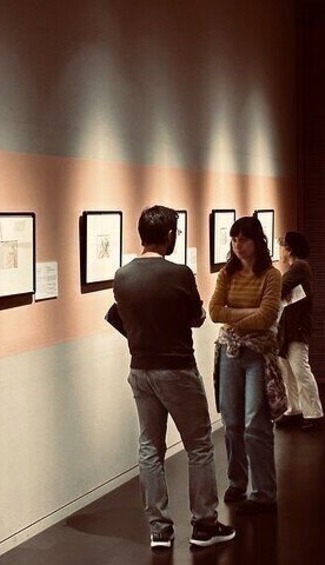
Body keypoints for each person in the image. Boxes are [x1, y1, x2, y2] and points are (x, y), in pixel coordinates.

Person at [112, 205, 236, 549]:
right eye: (176, 233)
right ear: (169, 235)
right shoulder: (179, 274)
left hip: (140, 369)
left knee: (150, 446)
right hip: (177, 368)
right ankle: (204, 524)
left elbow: (121, 316)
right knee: (198, 446)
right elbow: (196, 318)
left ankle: (159, 530)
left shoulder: (122, 276)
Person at [209, 216, 283, 514]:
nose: (238, 245)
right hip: (229, 351)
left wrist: (234, 315)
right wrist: (246, 315)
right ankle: (237, 481)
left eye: (244, 239)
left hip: (258, 354)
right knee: (231, 421)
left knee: (256, 422)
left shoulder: (272, 275)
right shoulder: (227, 273)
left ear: (258, 241)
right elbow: (214, 312)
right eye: (234, 239)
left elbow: (267, 317)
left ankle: (264, 490)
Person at [274, 231, 324, 431]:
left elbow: (279, 289)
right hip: (288, 328)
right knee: (288, 371)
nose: (280, 251)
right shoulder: (297, 267)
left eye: (282, 246)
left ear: (289, 249)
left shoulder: (300, 267)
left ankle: (314, 413)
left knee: (300, 370)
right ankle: (293, 409)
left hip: (296, 328)